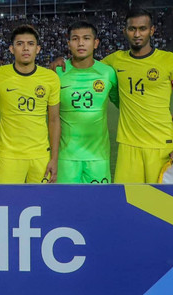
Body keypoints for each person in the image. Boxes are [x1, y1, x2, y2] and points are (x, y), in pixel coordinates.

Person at [52, 9, 173, 183]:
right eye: (132, 29)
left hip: (162, 143)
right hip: (127, 144)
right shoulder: (114, 62)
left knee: (159, 203)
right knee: (129, 200)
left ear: (152, 30)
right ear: (125, 32)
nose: (137, 34)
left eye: (143, 28)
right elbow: (85, 65)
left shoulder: (169, 60)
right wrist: (60, 60)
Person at [0, 25, 61, 184]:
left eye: (30, 44)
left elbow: (54, 120)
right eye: (20, 44)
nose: (25, 48)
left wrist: (54, 158)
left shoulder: (50, 78)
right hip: (9, 155)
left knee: (41, 203)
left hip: (40, 155)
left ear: (38, 49)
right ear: (11, 49)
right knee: (6, 203)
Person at [56, 21, 119, 184]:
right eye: (75, 39)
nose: (81, 43)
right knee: (65, 206)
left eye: (86, 38)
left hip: (98, 158)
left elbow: (124, 105)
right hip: (66, 158)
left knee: (98, 207)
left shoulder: (107, 73)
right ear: (69, 43)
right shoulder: (56, 73)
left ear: (95, 43)